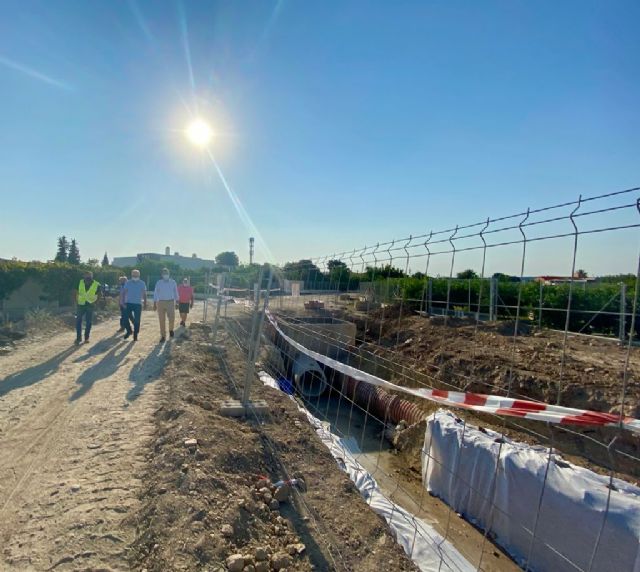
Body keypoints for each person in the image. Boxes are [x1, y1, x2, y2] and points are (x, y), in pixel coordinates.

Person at [75, 271, 102, 345]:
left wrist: (96, 302)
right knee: (78, 321)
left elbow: (100, 294)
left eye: (89, 276)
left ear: (92, 276)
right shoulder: (79, 282)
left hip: (90, 305)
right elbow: (75, 292)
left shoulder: (96, 284)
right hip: (81, 304)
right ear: (83, 276)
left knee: (88, 322)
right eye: (86, 275)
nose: (88, 277)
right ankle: (78, 338)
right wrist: (76, 302)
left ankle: (86, 338)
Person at [153, 268, 179, 342]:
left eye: (166, 273)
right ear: (161, 275)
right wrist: (154, 303)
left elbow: (175, 292)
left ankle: (171, 329)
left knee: (172, 318)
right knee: (161, 320)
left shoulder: (173, 282)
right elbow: (155, 293)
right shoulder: (159, 282)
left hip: (170, 302)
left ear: (169, 273)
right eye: (164, 273)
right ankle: (163, 336)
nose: (165, 274)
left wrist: (177, 301)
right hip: (160, 302)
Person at [122, 269, 147, 341]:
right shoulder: (128, 283)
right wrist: (123, 302)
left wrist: (145, 303)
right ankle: (129, 331)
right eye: (133, 275)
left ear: (139, 275)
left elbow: (144, 294)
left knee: (137, 320)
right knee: (124, 319)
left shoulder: (142, 283)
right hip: (128, 303)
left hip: (138, 304)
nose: (135, 276)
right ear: (131, 275)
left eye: (136, 275)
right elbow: (124, 293)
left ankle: (135, 335)